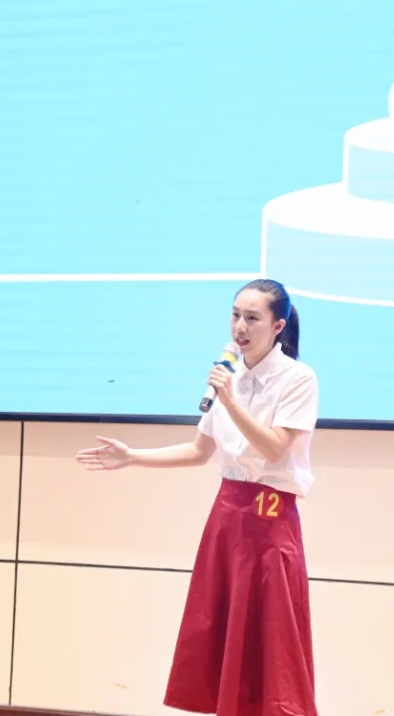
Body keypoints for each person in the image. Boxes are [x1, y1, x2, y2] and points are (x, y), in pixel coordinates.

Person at [75, 278, 320, 716]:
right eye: (235, 315)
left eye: (252, 318)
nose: (239, 326)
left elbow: (274, 448)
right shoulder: (229, 377)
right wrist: (132, 457)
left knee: (270, 645)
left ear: (277, 326)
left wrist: (231, 400)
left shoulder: (297, 379)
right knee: (220, 639)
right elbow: (198, 451)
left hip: (270, 525)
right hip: (227, 521)